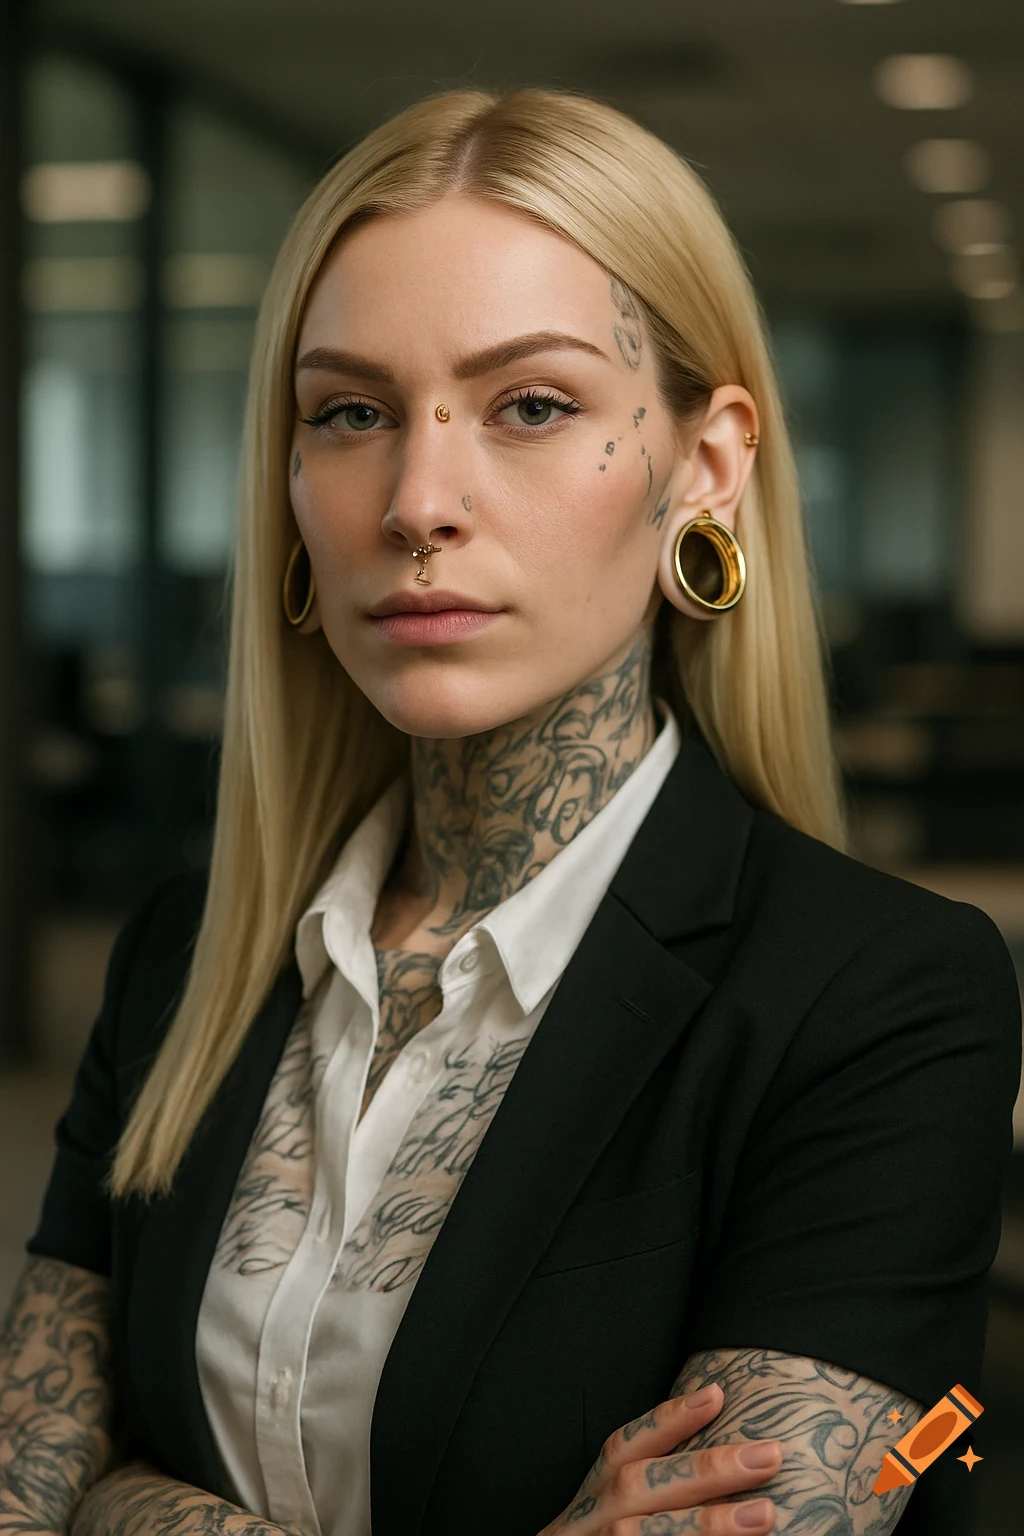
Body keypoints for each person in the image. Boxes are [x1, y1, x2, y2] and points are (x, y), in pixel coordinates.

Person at [2, 86, 1019, 1536]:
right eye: (348, 413)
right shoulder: (184, 959)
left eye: (531, 406)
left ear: (706, 465)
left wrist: (127, 1507)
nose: (417, 499)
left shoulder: (878, 1000)